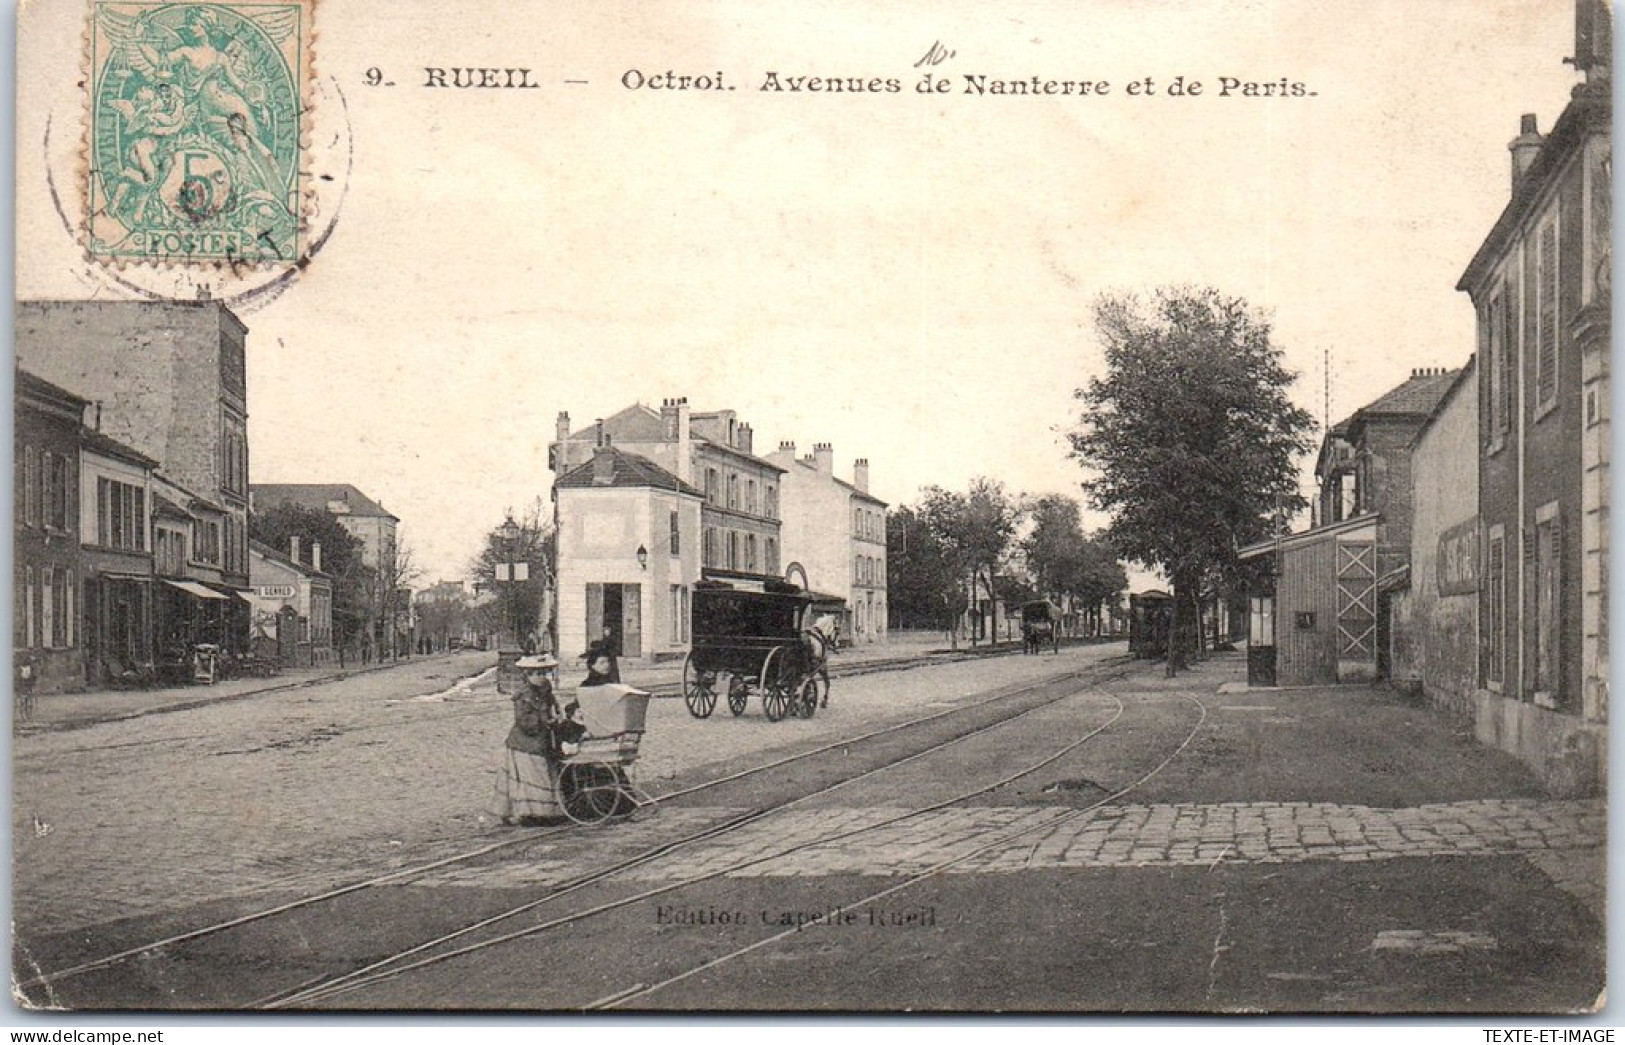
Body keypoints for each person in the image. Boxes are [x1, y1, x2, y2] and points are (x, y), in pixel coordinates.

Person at [491, 654, 566, 825]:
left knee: (541, 774)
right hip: (525, 743)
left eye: (543, 673)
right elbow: (524, 720)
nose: (540, 677)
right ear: (528, 675)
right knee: (531, 778)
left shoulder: (546, 690)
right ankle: (531, 814)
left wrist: (556, 715)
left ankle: (543, 812)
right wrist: (545, 721)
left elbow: (553, 707)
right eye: (536, 674)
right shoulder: (523, 695)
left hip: (543, 740)